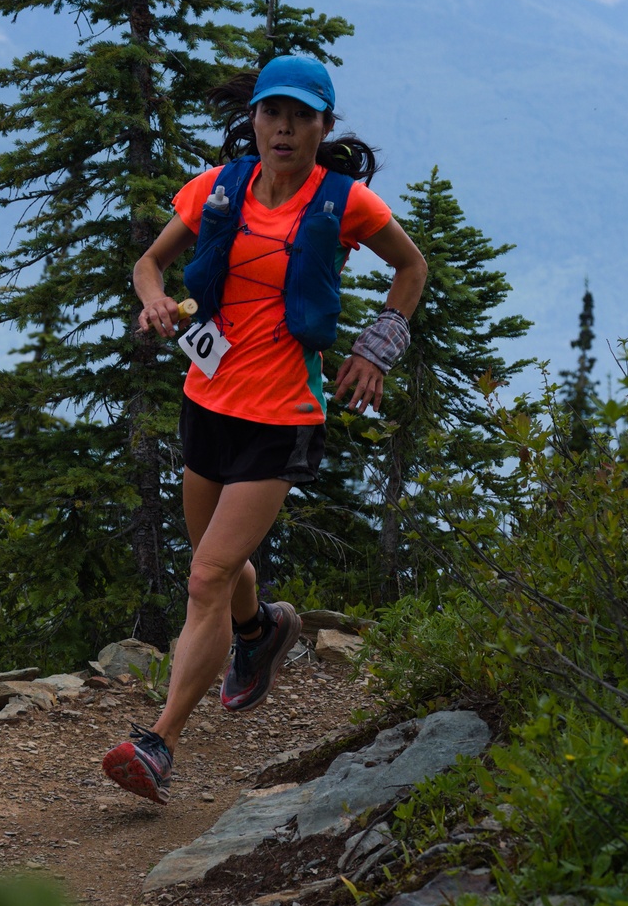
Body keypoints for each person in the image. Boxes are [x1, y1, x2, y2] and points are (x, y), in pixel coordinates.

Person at [101, 54, 428, 804]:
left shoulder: (345, 204)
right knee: (219, 567)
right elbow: (150, 264)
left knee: (207, 574)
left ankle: (160, 744)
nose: (284, 128)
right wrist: (154, 303)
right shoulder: (218, 189)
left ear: (324, 125)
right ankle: (260, 631)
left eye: (301, 116)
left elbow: (411, 269)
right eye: (271, 113)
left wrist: (377, 347)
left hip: (281, 417)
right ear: (253, 118)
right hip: (206, 399)